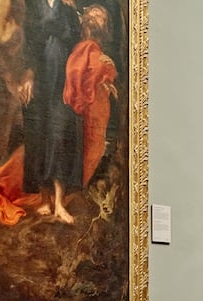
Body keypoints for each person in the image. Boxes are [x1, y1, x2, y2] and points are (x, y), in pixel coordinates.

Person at [20, 0, 83, 224]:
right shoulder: (32, 5)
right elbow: (27, 43)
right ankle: (44, 198)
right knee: (38, 135)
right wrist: (27, 74)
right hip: (40, 79)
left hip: (64, 80)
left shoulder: (67, 9)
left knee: (59, 135)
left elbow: (75, 40)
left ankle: (59, 203)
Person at [63, 4, 119, 187]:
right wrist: (106, 71)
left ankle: (79, 188)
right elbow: (77, 76)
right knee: (88, 149)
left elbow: (99, 72)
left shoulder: (95, 48)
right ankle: (75, 190)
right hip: (90, 108)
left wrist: (108, 73)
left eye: (101, 15)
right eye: (93, 13)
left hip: (98, 109)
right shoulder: (85, 47)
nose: (95, 16)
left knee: (94, 149)